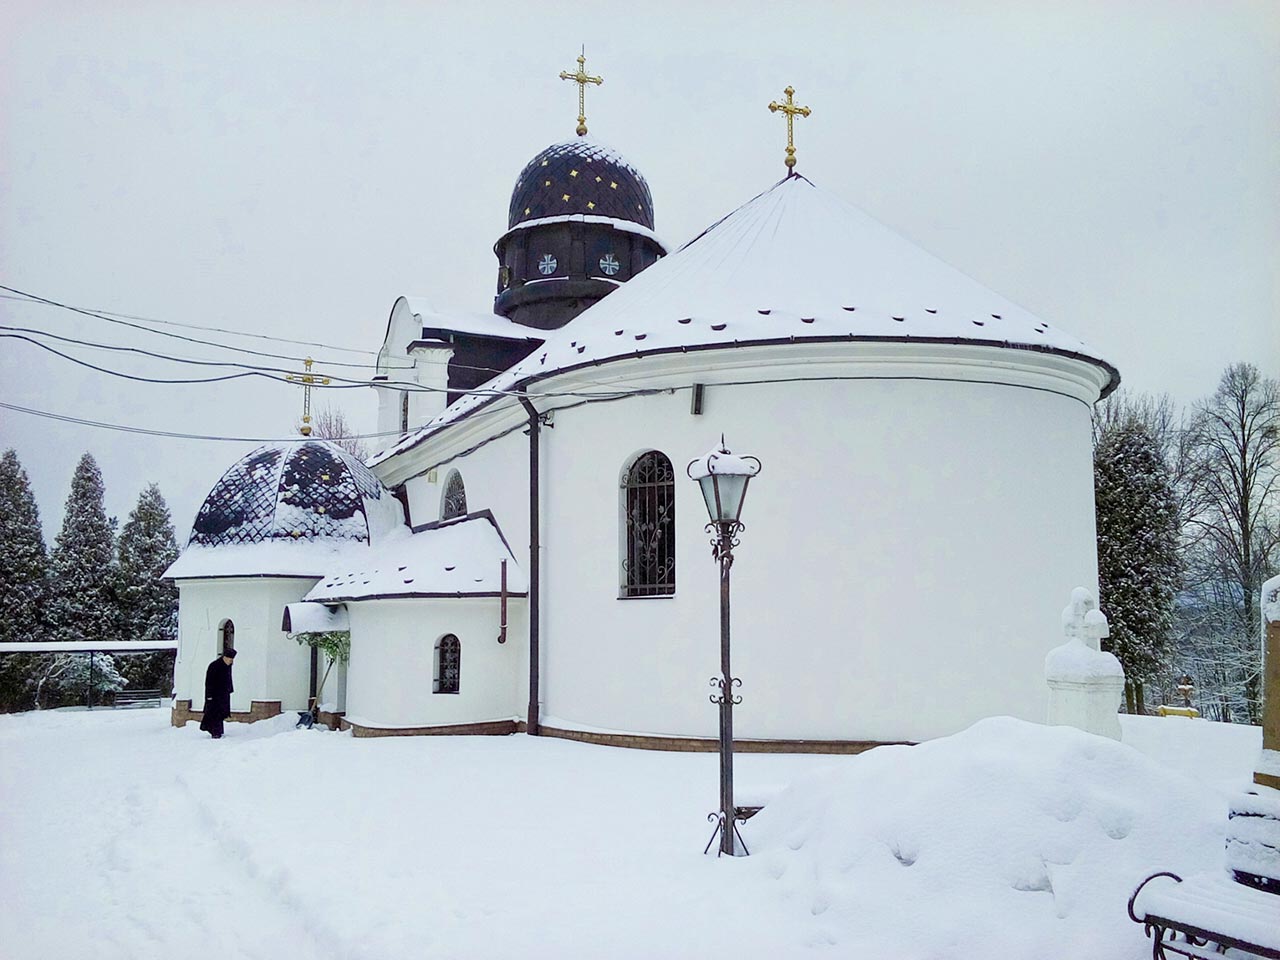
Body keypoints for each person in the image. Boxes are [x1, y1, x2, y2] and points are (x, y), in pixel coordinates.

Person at [199, 648, 236, 739]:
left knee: (221, 713)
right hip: (214, 695)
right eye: (230, 659)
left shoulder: (227, 665)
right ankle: (214, 731)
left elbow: (228, 678)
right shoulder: (214, 666)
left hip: (223, 694)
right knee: (213, 713)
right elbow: (209, 682)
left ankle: (218, 730)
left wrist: (229, 689)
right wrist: (209, 696)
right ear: (225, 657)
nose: (231, 661)